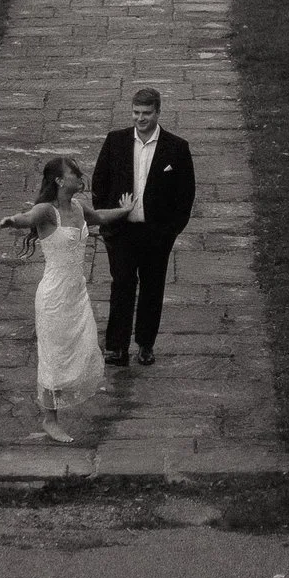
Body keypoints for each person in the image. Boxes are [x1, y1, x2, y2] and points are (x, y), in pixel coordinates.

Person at [0, 156, 131, 442]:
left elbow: (101, 216)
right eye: (74, 174)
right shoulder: (47, 211)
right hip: (54, 297)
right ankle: (50, 419)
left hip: (76, 294)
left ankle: (57, 404)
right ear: (59, 180)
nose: (80, 177)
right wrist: (13, 221)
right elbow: (28, 217)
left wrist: (126, 209)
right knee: (53, 357)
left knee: (83, 346)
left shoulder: (79, 208)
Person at [89, 87, 195, 368]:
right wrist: (107, 220)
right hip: (122, 232)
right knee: (121, 285)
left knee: (152, 288)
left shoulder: (176, 148)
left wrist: (170, 231)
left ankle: (145, 344)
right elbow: (99, 183)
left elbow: (186, 195)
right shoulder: (115, 141)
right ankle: (116, 348)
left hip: (156, 234)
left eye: (146, 113)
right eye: (136, 113)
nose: (140, 118)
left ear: (158, 113)